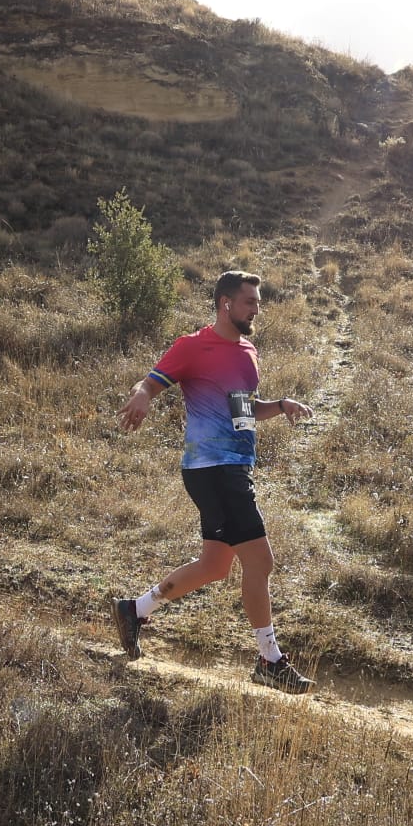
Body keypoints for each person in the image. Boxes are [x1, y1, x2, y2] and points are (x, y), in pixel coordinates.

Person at [111, 270, 315, 693]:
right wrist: (142, 397)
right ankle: (270, 661)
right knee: (261, 562)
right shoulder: (193, 346)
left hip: (234, 466)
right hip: (212, 467)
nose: (256, 309)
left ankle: (135, 608)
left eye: (257, 302)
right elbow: (150, 383)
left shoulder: (248, 351)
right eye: (249, 302)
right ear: (226, 303)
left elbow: (244, 411)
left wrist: (279, 405)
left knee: (215, 565)